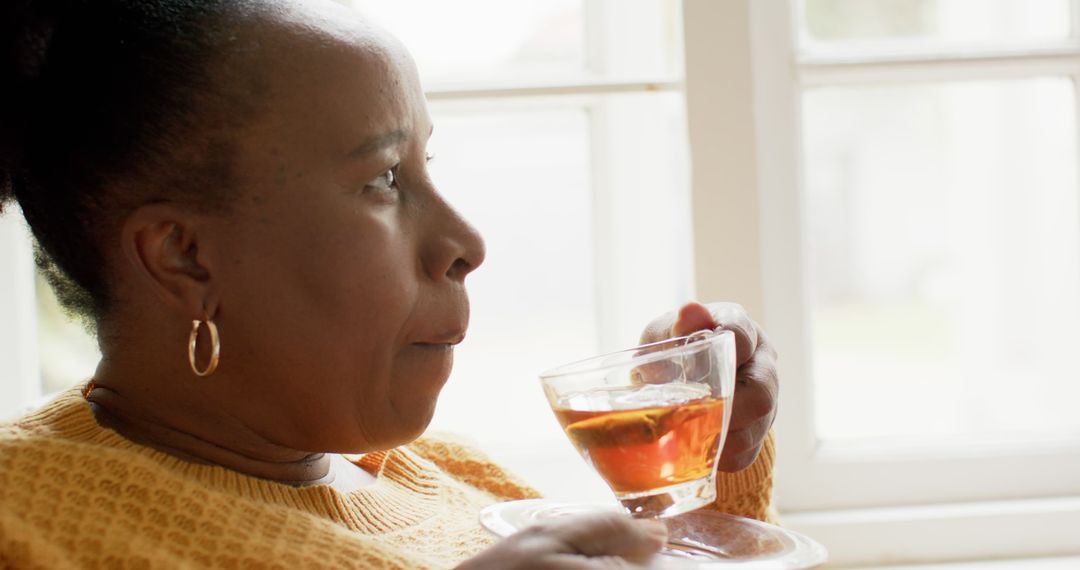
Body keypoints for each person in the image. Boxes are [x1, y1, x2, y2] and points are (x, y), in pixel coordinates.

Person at [0, 0, 779, 567]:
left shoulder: (459, 479)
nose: (466, 243)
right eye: (381, 180)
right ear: (184, 257)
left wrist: (707, 484)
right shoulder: (22, 517)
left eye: (423, 166)